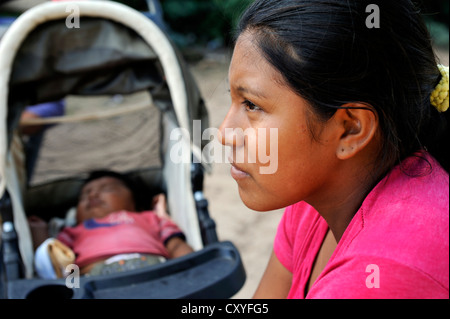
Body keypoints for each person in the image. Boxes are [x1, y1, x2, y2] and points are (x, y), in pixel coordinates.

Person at [219, 0, 449, 299]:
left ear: (351, 129)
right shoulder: (317, 195)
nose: (225, 133)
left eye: (252, 105)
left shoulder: (383, 275)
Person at [29, 170, 194, 278]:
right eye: (84, 195)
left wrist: (194, 269)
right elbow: (55, 262)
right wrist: (40, 234)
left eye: (107, 189)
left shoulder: (150, 217)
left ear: (135, 202)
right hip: (95, 278)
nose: (92, 195)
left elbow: (175, 245)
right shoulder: (73, 230)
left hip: (154, 268)